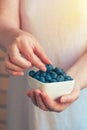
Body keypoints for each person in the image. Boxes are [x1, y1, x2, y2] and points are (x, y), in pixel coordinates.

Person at [0, 0, 87, 130]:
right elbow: (4, 19)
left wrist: (70, 84)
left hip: (80, 93)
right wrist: (13, 36)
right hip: (26, 94)